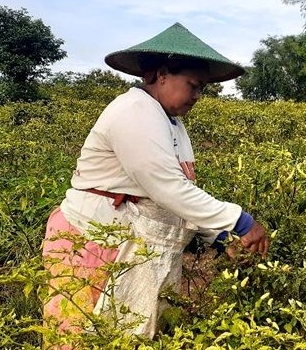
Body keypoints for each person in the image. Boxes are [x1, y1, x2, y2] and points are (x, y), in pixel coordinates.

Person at [41, 22, 269, 343]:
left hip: (126, 243)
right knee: (79, 336)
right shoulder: (135, 111)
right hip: (92, 239)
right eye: (193, 84)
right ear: (161, 74)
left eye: (202, 87)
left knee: (122, 336)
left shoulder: (170, 122)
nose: (198, 95)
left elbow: (177, 191)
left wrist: (217, 236)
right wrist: (239, 222)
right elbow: (165, 187)